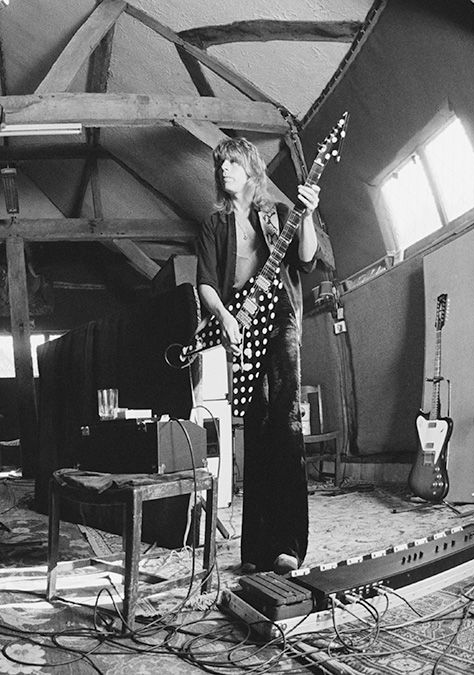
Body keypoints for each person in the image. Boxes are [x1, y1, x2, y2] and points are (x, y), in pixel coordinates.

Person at [195, 137, 326, 575]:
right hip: (242, 325)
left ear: (251, 169)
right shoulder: (214, 225)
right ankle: (256, 548)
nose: (223, 170)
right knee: (256, 424)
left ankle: (290, 543)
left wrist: (307, 214)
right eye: (220, 165)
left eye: (231, 162)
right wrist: (225, 318)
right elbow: (207, 284)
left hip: (281, 320)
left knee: (286, 424)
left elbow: (306, 260)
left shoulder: (277, 215)